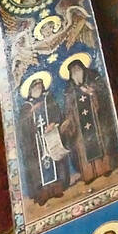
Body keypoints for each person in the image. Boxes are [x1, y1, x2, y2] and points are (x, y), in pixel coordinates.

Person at [60, 58, 118, 183]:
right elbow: (68, 107)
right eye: (73, 71)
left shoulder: (93, 76)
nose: (76, 73)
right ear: (71, 74)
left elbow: (103, 90)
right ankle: (89, 175)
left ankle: (105, 168)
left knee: (101, 140)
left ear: (83, 68)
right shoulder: (69, 89)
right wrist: (69, 119)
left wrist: (92, 92)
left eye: (78, 69)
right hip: (80, 126)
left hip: (97, 120)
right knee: (83, 148)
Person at [19, 75, 69, 204]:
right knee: (39, 168)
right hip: (36, 142)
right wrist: (31, 114)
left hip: (50, 138)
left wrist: (53, 123)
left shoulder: (48, 98)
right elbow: (23, 127)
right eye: (35, 87)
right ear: (30, 90)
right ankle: (43, 195)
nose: (38, 89)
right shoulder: (26, 107)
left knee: (54, 161)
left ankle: (56, 190)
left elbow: (57, 112)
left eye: (40, 86)